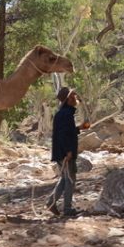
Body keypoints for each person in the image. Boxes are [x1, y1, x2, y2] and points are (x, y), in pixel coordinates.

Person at [47, 86, 89, 216]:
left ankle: (51, 203)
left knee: (65, 179)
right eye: (73, 95)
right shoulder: (66, 114)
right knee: (70, 179)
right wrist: (69, 151)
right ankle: (67, 209)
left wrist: (79, 128)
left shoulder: (63, 113)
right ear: (69, 99)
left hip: (60, 152)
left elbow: (67, 132)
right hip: (65, 153)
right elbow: (64, 135)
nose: (75, 96)